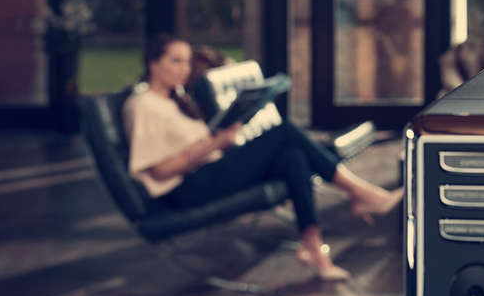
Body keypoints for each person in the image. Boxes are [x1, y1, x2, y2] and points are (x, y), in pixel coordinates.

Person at [122, 33, 402, 281]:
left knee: (292, 157)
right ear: (153, 64)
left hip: (210, 172)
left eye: (186, 62)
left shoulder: (177, 100)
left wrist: (223, 137)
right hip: (184, 190)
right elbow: (159, 171)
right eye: (175, 61)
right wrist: (215, 144)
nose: (184, 69)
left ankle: (313, 248)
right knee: (284, 133)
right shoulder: (142, 105)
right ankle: (361, 193)